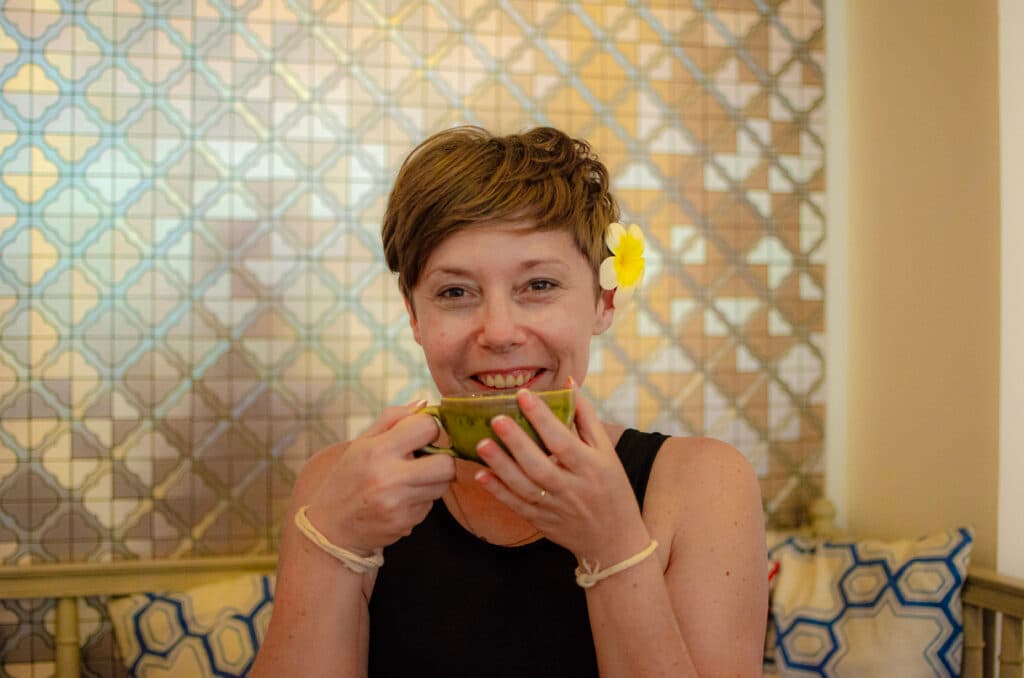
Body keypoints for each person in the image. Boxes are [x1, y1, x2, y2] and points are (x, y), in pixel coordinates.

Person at [251, 126, 768, 677]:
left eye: (539, 286)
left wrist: (613, 547)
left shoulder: (701, 485)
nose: (498, 332)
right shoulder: (340, 487)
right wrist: (330, 542)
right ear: (413, 315)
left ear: (603, 301)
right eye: (455, 293)